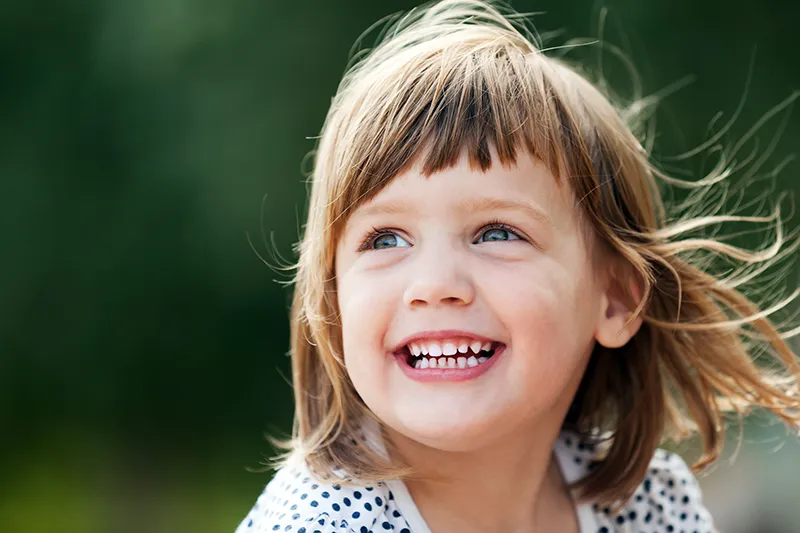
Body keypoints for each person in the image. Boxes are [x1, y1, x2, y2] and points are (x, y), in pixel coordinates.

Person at [235, 1, 800, 531]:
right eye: (385, 239)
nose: (434, 285)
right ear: (332, 298)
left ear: (616, 299)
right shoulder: (319, 523)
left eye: (496, 233)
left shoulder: (649, 506)